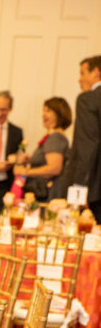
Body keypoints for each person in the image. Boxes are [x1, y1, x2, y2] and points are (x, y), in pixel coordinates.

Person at [12, 97, 71, 202]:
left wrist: (25, 171)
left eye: (48, 111)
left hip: (46, 195)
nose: (44, 114)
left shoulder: (56, 137)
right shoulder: (54, 137)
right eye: (43, 110)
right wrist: (31, 160)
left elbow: (54, 168)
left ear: (59, 113)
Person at [69, 55, 101, 222]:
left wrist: (79, 186)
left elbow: (88, 143)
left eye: (83, 73)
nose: (79, 79)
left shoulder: (88, 99)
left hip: (96, 185)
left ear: (96, 72)